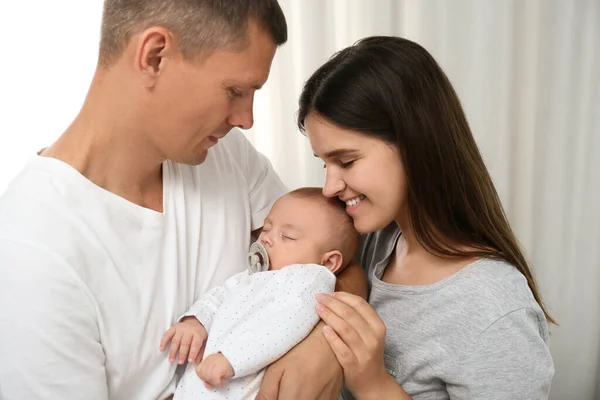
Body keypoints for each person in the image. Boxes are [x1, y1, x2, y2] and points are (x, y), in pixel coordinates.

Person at [0, 1, 361, 399]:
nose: (246, 118)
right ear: (155, 56)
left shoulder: (226, 156)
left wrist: (323, 347)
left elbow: (340, 260)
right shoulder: (31, 252)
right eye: (235, 91)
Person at [297, 36, 555, 399]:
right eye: (324, 163)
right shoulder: (374, 241)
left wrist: (374, 385)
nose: (329, 186)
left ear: (414, 142)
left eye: (346, 161)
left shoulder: (494, 308)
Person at [163, 188, 360, 399]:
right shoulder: (252, 276)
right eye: (267, 228)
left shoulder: (309, 278)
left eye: (288, 236)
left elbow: (285, 323)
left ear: (328, 262)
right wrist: (197, 321)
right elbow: (220, 295)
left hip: (239, 381)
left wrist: (232, 358)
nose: (267, 238)